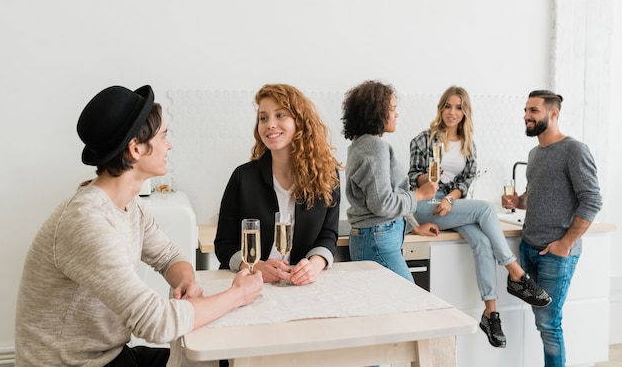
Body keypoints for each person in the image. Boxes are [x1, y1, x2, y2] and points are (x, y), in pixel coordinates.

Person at [15, 85, 263, 367]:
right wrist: (238, 295)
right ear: (135, 148)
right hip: (76, 364)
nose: (169, 145)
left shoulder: (130, 206)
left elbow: (170, 256)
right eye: (163, 136)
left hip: (110, 356)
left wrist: (186, 282)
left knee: (219, 361)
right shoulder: (86, 223)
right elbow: (156, 323)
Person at [409, 85, 552, 348]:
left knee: (482, 243)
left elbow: (465, 180)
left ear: (465, 112)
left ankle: (490, 314)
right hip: (426, 205)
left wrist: (451, 199)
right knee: (485, 209)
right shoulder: (423, 139)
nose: (452, 112)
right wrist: (429, 176)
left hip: (452, 207)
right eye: (448, 106)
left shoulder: (468, 143)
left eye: (458, 107)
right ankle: (517, 274)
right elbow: (413, 178)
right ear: (441, 108)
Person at [502, 90, 602, 366]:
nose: (526, 116)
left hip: (556, 254)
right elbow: (533, 197)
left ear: (553, 113)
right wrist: (517, 201)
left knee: (549, 324)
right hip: (529, 247)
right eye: (525, 110)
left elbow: (592, 200)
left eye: (533, 110)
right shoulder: (534, 153)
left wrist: (565, 244)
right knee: (542, 321)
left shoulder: (574, 150)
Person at [215, 83, 343, 286]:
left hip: (300, 286)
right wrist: (255, 266)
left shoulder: (327, 176)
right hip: (250, 284)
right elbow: (224, 244)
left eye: (280, 115)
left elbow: (328, 234)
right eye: (263, 118)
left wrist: (314, 265)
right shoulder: (243, 177)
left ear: (300, 122)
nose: (270, 124)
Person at [342, 80, 439, 283]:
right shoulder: (374, 147)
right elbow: (383, 204)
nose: (397, 114)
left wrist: (413, 226)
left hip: (376, 237)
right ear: (376, 112)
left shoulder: (360, 145)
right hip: (378, 239)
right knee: (410, 302)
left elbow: (386, 195)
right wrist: (421, 194)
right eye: (393, 109)